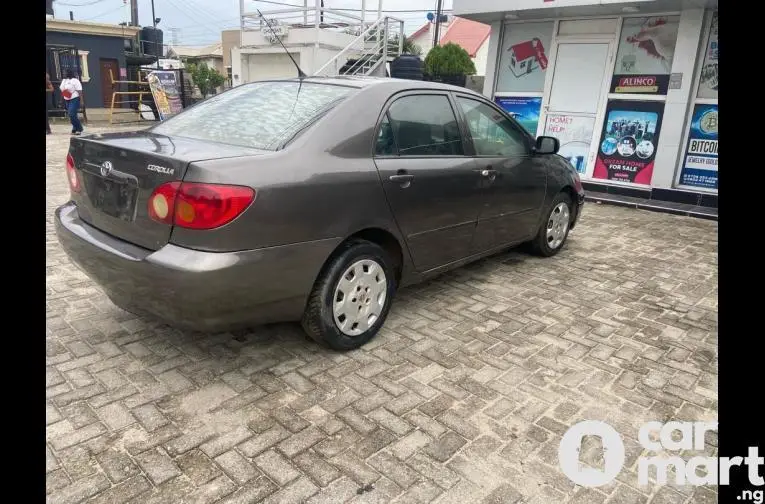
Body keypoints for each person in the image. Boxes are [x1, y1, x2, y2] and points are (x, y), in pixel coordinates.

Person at [60, 69, 84, 135]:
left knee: (71, 114)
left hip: (74, 98)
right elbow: (62, 90)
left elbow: (80, 91)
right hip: (66, 98)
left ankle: (79, 128)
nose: (64, 74)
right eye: (63, 73)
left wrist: (81, 101)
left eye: (65, 73)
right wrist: (61, 100)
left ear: (69, 73)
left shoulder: (75, 81)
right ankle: (74, 128)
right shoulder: (64, 80)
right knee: (72, 115)